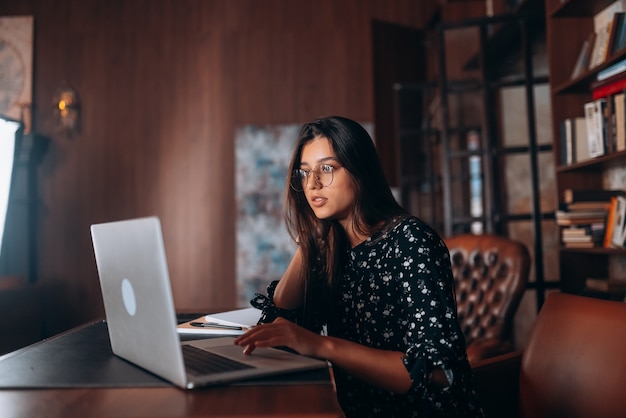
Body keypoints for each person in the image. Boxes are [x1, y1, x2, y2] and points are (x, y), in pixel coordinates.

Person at [233, 116, 484, 417]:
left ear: (359, 171)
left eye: (326, 168)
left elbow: (437, 371)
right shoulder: (332, 245)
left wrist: (322, 345)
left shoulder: (411, 241)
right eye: (304, 173)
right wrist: (309, 243)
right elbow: (277, 327)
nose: (312, 184)